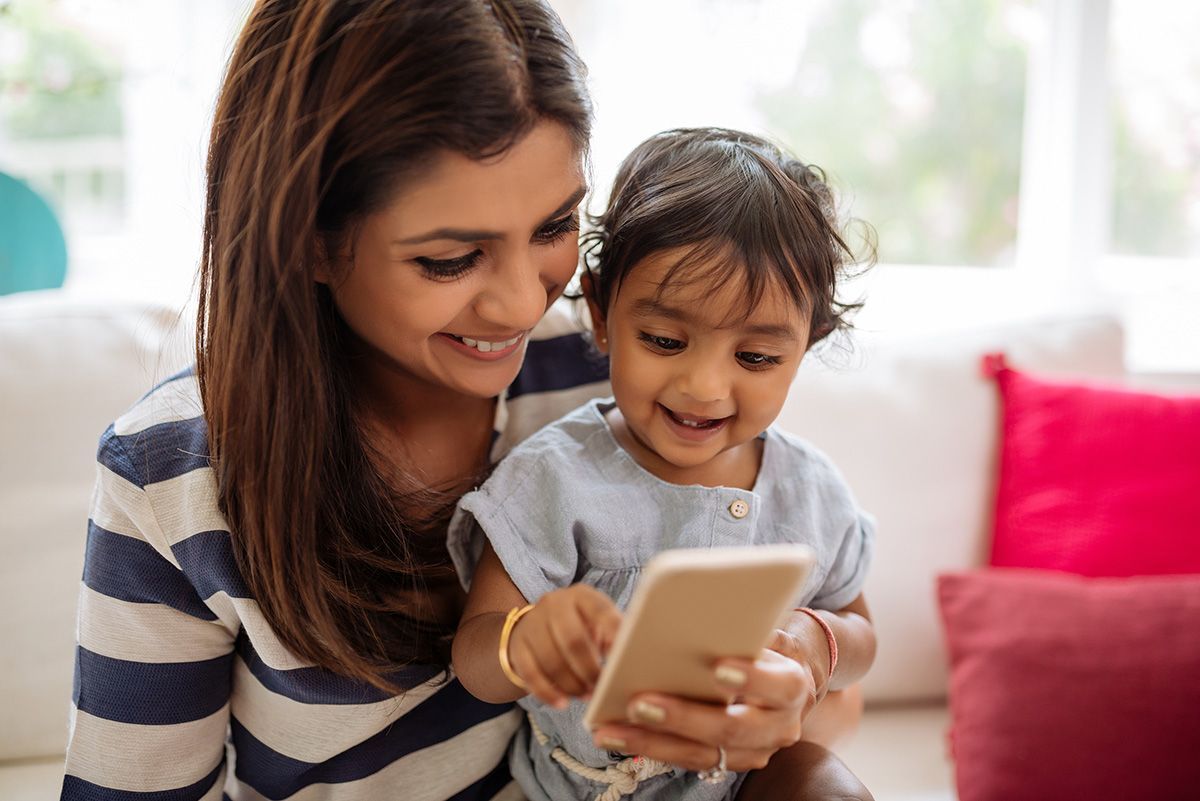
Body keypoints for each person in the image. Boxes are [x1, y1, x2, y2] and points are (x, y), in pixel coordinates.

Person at [60, 2, 865, 799]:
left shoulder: (625, 369)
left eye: (555, 225)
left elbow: (824, 682)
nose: (522, 304)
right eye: (450, 258)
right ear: (306, 236)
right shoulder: (170, 474)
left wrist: (789, 704)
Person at [449, 127, 878, 801]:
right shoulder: (556, 477)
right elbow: (473, 655)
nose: (704, 386)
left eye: (757, 357)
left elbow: (862, 636)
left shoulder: (811, 489)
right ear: (599, 312)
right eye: (663, 340)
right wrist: (524, 638)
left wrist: (819, 642)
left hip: (750, 781)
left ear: (808, 345)